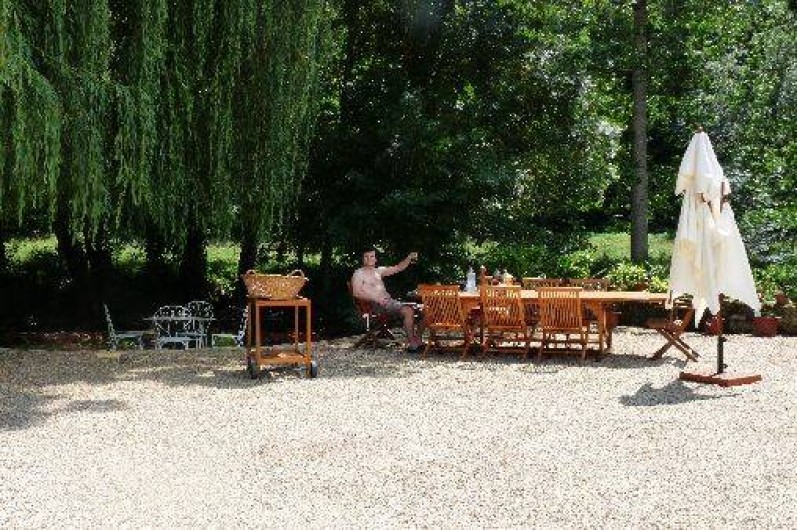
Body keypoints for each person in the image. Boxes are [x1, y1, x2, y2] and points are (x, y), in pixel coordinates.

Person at [351, 247, 424, 352]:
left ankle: (418, 340)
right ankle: (412, 344)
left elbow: (398, 267)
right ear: (362, 259)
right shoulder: (359, 273)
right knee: (408, 310)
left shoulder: (378, 271)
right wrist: (375, 298)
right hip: (375, 306)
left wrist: (408, 258)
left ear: (376, 259)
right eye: (366, 257)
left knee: (425, 310)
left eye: (371, 256)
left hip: (390, 303)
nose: (369, 259)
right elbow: (356, 292)